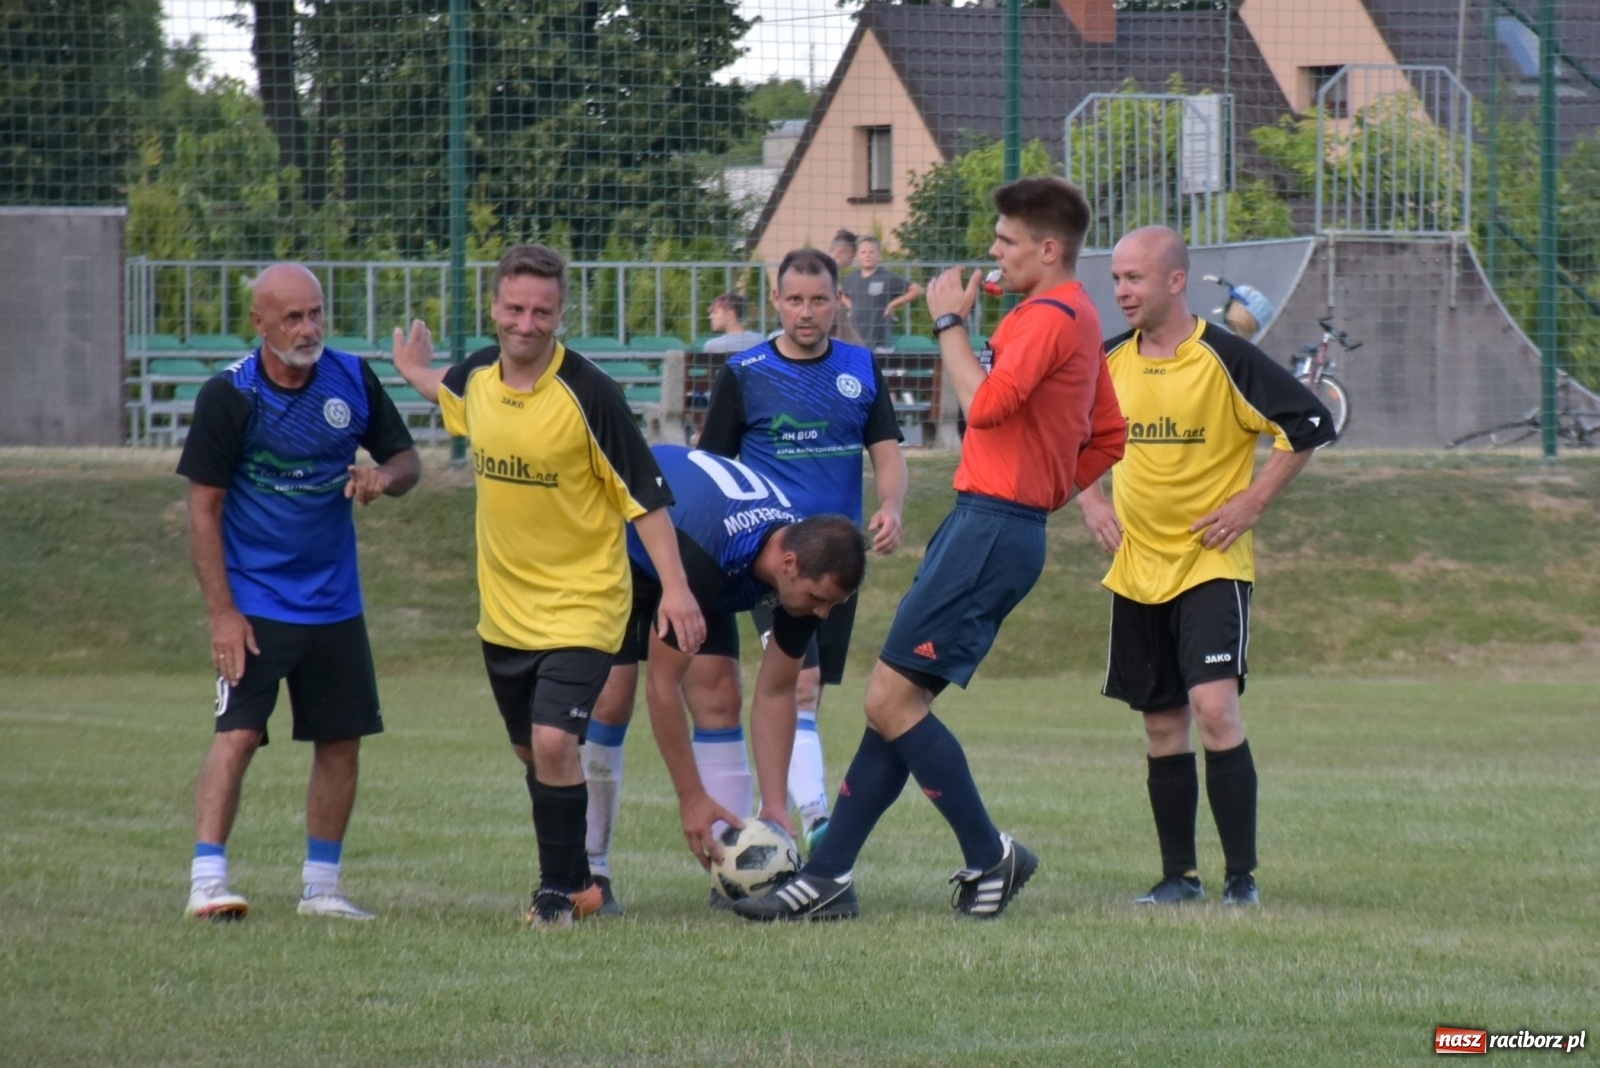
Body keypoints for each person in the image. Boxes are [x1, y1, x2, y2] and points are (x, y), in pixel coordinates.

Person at [735, 176, 1127, 923]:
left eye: (1007, 241)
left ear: (1049, 250)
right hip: (998, 523)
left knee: (888, 698)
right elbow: (1109, 432)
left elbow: (983, 407)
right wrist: (1045, 492)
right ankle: (828, 877)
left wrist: (948, 321)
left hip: (992, 524)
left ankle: (990, 855)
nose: (994, 251)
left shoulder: (1047, 316)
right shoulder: (1078, 314)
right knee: (897, 704)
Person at [390, 243, 706, 928]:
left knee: (557, 745)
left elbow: (646, 497)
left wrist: (676, 590)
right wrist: (414, 369)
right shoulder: (477, 377)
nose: (527, 324)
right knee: (534, 754)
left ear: (562, 313)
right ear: (495, 308)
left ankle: (556, 894)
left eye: (542, 311)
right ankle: (580, 884)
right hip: (504, 614)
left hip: (586, 603)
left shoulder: (591, 394)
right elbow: (449, 388)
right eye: (514, 309)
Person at [1077, 226, 1335, 908]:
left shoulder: (1225, 358)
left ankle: (1241, 879)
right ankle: (1178, 879)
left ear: (1175, 280)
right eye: (1118, 279)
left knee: (1214, 708)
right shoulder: (1106, 363)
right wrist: (1091, 501)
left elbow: (1308, 425)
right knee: (1162, 724)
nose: (1123, 291)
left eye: (1134, 278)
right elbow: (1069, 436)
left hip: (1210, 564)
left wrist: (1252, 503)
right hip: (1136, 568)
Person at [179, 263, 421, 922]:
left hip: (335, 602)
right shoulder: (230, 396)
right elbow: (204, 508)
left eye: (316, 313)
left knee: (341, 740)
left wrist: (383, 478)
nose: (308, 328)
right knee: (237, 732)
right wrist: (223, 614)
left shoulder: (352, 377)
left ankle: (322, 888)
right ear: (258, 324)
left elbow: (408, 461)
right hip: (256, 602)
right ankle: (207, 879)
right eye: (292, 317)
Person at [584, 444, 868, 909]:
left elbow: (777, 691)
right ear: (789, 565)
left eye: (832, 605)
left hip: (704, 551)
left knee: (719, 693)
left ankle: (731, 868)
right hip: (620, 546)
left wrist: (775, 805)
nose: (823, 613)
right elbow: (663, 685)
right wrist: (690, 797)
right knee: (614, 696)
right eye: (819, 599)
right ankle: (592, 866)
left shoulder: (804, 572)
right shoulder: (708, 558)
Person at [694, 247, 907, 855]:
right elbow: (712, 467)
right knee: (802, 681)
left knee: (811, 692)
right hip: (775, 560)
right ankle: (811, 820)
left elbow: (887, 453)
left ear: (837, 300)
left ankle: (793, 812)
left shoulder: (860, 368)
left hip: (837, 564)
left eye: (818, 300)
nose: (806, 312)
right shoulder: (746, 372)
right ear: (776, 301)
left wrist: (891, 507)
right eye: (794, 300)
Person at [840, 235, 923, 353]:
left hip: (882, 340)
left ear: (879, 255)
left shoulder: (887, 277)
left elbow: (917, 290)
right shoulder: (851, 279)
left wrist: (893, 304)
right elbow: (839, 294)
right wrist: (851, 307)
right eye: (863, 252)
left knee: (882, 370)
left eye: (871, 252)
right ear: (857, 256)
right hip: (856, 340)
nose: (867, 255)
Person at [701, 293, 767, 355]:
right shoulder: (760, 339)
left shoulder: (713, 346)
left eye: (715, 312)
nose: (710, 317)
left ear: (729, 315)